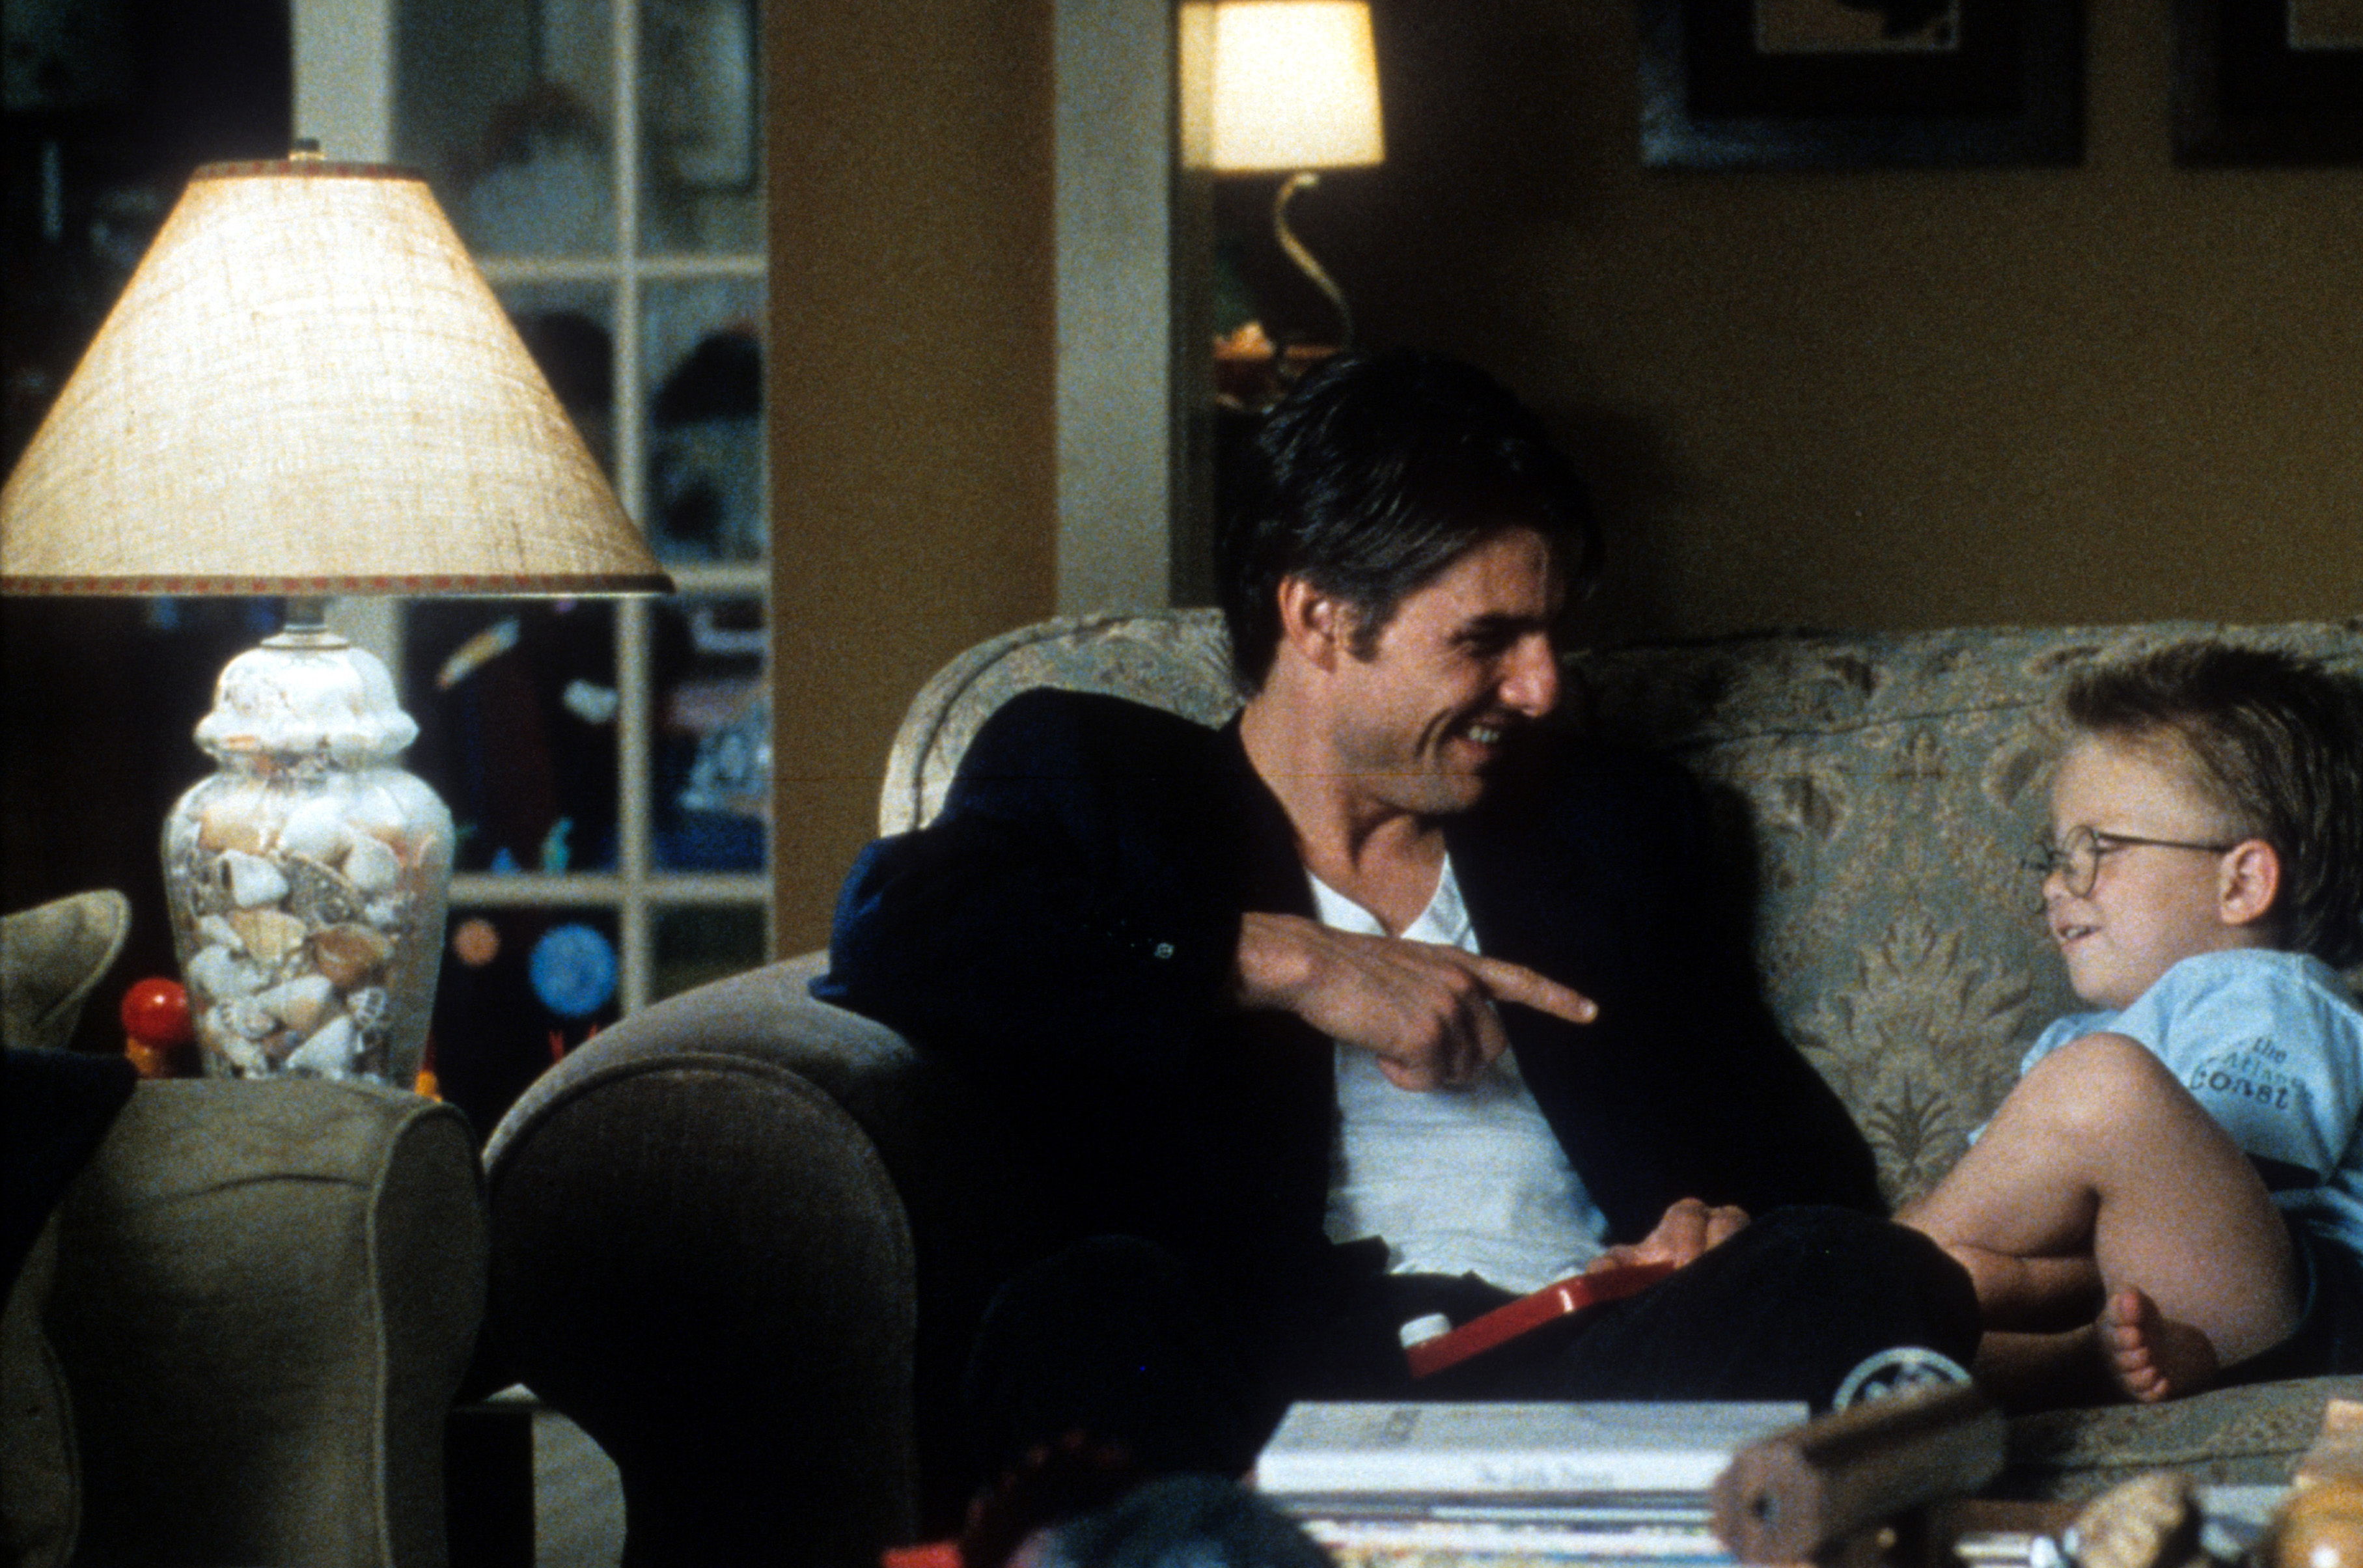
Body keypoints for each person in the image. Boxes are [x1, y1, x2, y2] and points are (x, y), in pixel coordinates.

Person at [820, 349, 1978, 1498]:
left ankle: (1484, 1562)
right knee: (1078, 1312)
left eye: (1548, 633)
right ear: (1318, 617)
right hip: (1260, 1372)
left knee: (1859, 1272)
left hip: (1587, 1367)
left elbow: (1793, 1158)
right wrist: (1281, 960)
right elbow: (894, 932)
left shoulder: (1611, 825)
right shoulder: (1094, 771)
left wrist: (1715, 1221)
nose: (1538, 687)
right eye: (1485, 640)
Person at [1896, 640, 2363, 1407]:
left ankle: (1847, 1286)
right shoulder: (2070, 1042)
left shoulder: (2274, 995)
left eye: (2099, 849)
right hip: (2142, 1322)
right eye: (2055, 856)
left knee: (2103, 1087)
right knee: (1961, 1320)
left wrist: (2012, 1280)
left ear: (2242, 881)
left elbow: (2222, 1190)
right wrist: (2001, 1279)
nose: (2058, 885)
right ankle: (2049, 1356)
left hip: (2318, 1321)